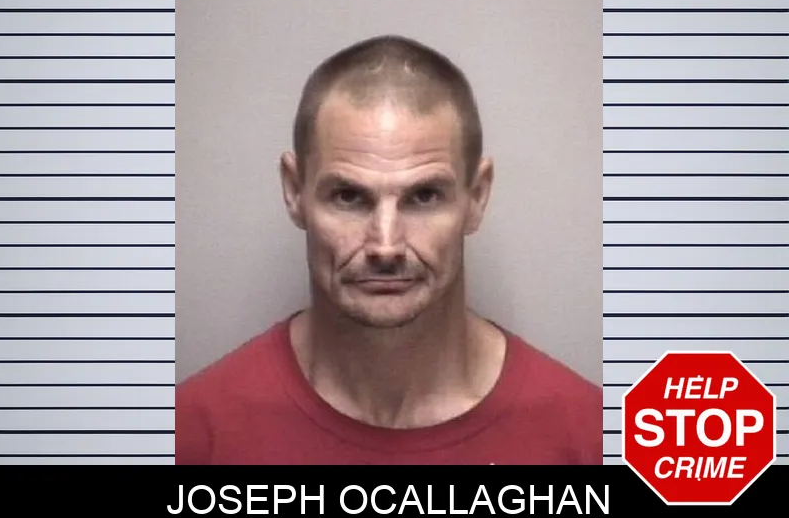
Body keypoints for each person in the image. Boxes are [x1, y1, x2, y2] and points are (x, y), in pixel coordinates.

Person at [176, 34, 602, 465]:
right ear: (294, 191)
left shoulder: (591, 439)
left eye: (424, 197)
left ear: (476, 197)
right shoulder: (192, 435)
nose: (385, 245)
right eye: (348, 196)